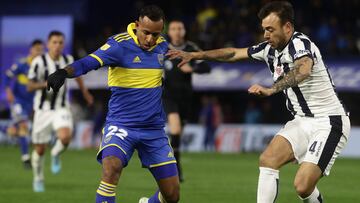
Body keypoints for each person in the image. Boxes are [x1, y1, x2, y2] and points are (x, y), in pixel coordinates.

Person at [167, 2, 350, 203]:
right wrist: (196, 55)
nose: (265, 35)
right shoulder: (268, 50)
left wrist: (272, 89)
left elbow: (303, 69)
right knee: (268, 160)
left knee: (303, 187)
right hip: (302, 121)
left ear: (287, 27)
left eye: (270, 29)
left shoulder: (300, 43)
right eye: (264, 29)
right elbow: (233, 53)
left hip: (329, 122)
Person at [47, 5, 180, 203]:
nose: (151, 39)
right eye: (146, 33)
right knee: (111, 168)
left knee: (172, 196)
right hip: (121, 126)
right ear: (136, 26)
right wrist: (64, 72)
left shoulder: (162, 46)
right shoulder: (118, 46)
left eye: (155, 34)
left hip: (153, 130)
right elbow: (87, 63)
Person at [27, 31, 94, 192]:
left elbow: (77, 76)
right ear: (48, 44)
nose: (57, 46)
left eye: (60, 43)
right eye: (54, 42)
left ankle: (56, 153)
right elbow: (29, 86)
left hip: (61, 107)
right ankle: (38, 178)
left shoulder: (68, 60)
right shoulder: (39, 61)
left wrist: (85, 92)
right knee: (40, 150)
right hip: (42, 110)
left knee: (65, 137)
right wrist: (47, 83)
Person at [163, 19, 210, 182]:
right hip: (168, 96)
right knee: (175, 130)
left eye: (179, 28)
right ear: (169, 32)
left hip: (186, 97)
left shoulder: (191, 48)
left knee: (177, 137)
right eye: (173, 28)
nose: (176, 31)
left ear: (184, 31)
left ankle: (173, 164)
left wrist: (193, 68)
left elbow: (207, 66)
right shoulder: (162, 48)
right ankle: (173, 170)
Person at [4, 39, 44, 169]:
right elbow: (7, 76)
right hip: (18, 101)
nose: (39, 52)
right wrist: (8, 91)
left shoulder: (42, 67)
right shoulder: (22, 64)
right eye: (37, 50)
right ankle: (26, 158)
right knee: (23, 126)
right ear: (31, 50)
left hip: (31, 103)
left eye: (41, 50)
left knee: (15, 131)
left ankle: (4, 129)